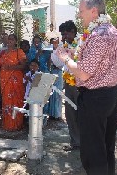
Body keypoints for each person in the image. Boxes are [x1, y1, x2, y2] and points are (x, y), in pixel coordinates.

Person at [56, 0, 117, 175]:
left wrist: (66, 58)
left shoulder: (99, 35)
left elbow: (84, 73)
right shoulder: (112, 31)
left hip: (95, 99)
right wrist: (75, 54)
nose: (79, 15)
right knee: (106, 148)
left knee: (93, 153)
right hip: (110, 96)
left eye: (81, 11)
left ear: (94, 11)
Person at [52, 20, 80, 151]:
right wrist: (59, 49)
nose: (63, 37)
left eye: (65, 34)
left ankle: (87, 143)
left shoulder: (83, 42)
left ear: (73, 32)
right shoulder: (64, 45)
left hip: (83, 85)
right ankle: (75, 143)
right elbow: (56, 62)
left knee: (84, 114)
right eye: (62, 34)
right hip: (69, 84)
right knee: (70, 114)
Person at [0, 34, 26, 131]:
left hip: (15, 81)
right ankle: (7, 125)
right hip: (4, 80)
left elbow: (23, 66)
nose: (10, 41)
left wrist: (11, 68)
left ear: (16, 41)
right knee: (6, 101)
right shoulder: (3, 52)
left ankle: (16, 124)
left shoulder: (19, 52)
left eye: (12, 39)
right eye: (9, 39)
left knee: (16, 101)